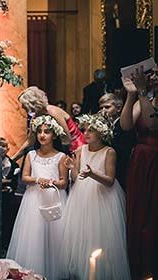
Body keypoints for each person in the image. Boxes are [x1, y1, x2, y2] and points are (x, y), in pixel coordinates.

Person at [60, 113, 129, 279]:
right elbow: (77, 177)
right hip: (82, 196)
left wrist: (93, 174)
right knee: (82, 232)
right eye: (85, 129)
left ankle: (101, 271)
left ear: (102, 133)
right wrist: (71, 168)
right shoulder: (80, 150)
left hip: (103, 198)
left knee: (101, 233)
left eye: (91, 130)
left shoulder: (109, 152)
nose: (87, 133)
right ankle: (83, 269)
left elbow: (110, 180)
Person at [6, 115, 69, 280]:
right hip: (33, 199)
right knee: (34, 234)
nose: (42, 135)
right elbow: (25, 177)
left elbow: (64, 182)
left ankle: (54, 272)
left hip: (54, 199)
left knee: (55, 237)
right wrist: (38, 180)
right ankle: (33, 273)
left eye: (47, 132)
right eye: (39, 132)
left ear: (54, 135)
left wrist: (52, 183)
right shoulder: (31, 154)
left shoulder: (61, 156)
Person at [121, 68, 158, 279]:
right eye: (151, 74)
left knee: (153, 218)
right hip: (140, 161)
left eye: (157, 74)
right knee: (139, 213)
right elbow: (126, 125)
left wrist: (143, 93)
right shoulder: (142, 99)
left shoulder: (148, 98)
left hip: (156, 161)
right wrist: (131, 94)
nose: (152, 78)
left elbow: (152, 124)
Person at [14, 86, 86, 160]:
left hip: (76, 147)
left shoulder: (53, 112)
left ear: (31, 102)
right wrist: (13, 159)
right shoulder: (35, 117)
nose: (22, 107)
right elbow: (30, 141)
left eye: (23, 104)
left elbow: (67, 139)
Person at [98, 93, 135, 190]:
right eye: (101, 108)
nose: (103, 111)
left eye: (107, 107)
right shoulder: (104, 125)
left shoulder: (123, 124)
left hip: (123, 167)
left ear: (119, 108)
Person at [0, 137, 20, 250]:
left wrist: (9, 186)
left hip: (8, 199)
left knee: (7, 223)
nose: (1, 149)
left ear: (8, 149)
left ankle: (6, 245)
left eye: (4, 146)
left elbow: (15, 183)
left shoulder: (14, 165)